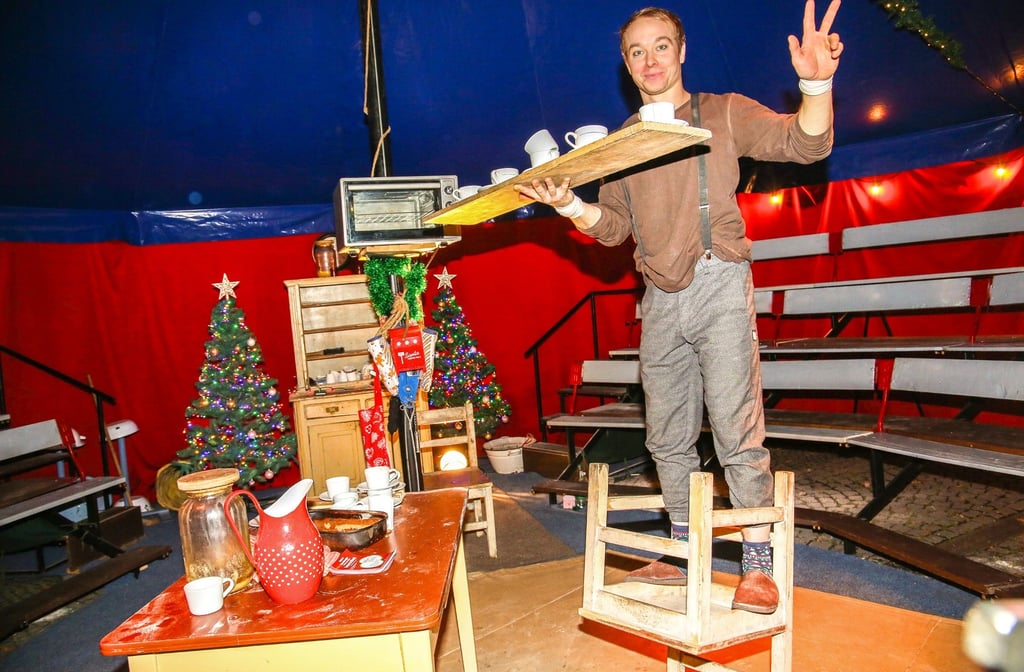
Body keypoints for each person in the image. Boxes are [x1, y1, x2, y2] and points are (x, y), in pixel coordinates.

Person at [515, 0, 843, 614]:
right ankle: (680, 546)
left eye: (660, 45)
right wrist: (569, 207)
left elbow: (806, 143)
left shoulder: (722, 112)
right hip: (658, 298)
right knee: (666, 436)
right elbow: (612, 228)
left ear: (682, 51)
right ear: (625, 64)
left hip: (719, 281)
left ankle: (756, 561)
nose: (649, 60)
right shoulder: (623, 144)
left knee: (735, 429)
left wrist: (816, 82)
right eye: (636, 51)